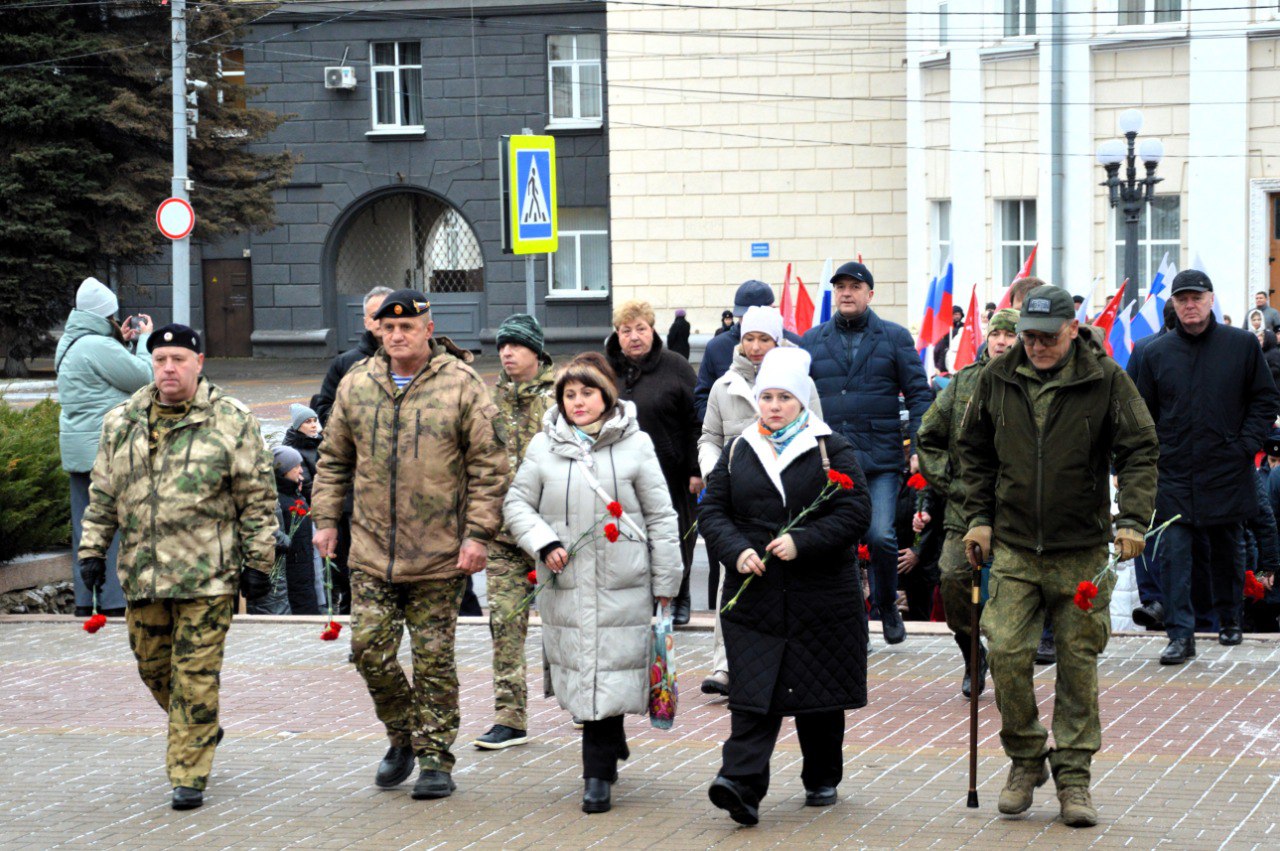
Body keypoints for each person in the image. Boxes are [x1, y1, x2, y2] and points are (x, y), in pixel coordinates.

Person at [955, 284, 1159, 828]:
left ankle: (1073, 776)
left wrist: (1133, 519)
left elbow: (1139, 448)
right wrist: (978, 518)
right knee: (1006, 653)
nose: (1038, 346)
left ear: (1073, 329)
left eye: (1048, 336)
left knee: (1076, 664)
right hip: (1016, 547)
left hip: (1081, 550)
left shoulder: (1106, 379)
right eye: (1029, 336)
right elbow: (972, 452)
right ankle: (1025, 759)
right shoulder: (995, 378)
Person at [310, 289, 507, 801]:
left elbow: (490, 466)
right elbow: (333, 459)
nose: (397, 336)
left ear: (427, 327)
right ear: (377, 329)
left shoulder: (462, 384)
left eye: (407, 327)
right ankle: (402, 736)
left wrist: (478, 534)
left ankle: (436, 760)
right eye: (388, 327)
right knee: (368, 652)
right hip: (372, 549)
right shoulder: (357, 383)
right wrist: (326, 520)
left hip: (440, 552)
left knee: (434, 660)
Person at [77, 324, 278, 810]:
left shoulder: (231, 420)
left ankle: (188, 775)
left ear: (199, 363)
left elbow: (257, 500)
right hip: (143, 575)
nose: (169, 367)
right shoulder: (121, 420)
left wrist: (259, 563)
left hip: (207, 575)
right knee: (154, 670)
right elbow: (103, 495)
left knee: (195, 675)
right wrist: (90, 551)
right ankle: (200, 725)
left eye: (179, 359)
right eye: (161, 358)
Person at [698, 347, 872, 826]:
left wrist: (804, 541)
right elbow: (712, 512)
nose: (773, 406)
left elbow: (855, 512)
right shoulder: (739, 449)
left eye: (784, 398)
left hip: (821, 597)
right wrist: (735, 550)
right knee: (755, 693)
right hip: (755, 595)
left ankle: (822, 776)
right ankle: (740, 785)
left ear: (802, 402)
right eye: (767, 397)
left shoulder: (830, 448)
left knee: (819, 698)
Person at [503, 352, 682, 815]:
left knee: (609, 667)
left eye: (587, 393)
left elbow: (661, 516)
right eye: (569, 394)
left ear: (607, 395)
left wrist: (667, 580)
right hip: (568, 582)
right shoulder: (544, 447)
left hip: (624, 583)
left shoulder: (635, 444)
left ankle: (596, 775)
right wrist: (544, 543)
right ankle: (610, 741)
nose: (578, 402)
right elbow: (518, 504)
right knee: (587, 673)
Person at [1132, 270, 1280, 664]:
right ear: (1175, 305)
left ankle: (1231, 619)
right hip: (1175, 473)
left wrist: (1245, 445)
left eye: (1196, 297)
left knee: (1227, 551)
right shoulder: (1154, 353)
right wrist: (1152, 456)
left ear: (1211, 299)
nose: (1190, 304)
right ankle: (1180, 635)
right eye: (1182, 299)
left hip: (1226, 469)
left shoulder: (1242, 345)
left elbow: (1265, 400)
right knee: (1174, 555)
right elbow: (1140, 413)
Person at [801, 260, 932, 644]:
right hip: (831, 460)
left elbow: (920, 394)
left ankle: (887, 604)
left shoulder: (893, 338)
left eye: (854, 287)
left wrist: (919, 444)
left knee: (880, 536)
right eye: (840, 286)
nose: (846, 292)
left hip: (881, 458)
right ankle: (846, 617)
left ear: (869, 294)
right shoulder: (812, 340)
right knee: (835, 541)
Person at [697, 306, 822, 697]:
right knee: (732, 579)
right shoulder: (724, 386)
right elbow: (709, 437)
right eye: (749, 338)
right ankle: (724, 665)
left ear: (777, 341)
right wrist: (716, 471)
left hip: (787, 499)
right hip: (739, 496)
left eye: (764, 339)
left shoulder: (802, 383)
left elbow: (817, 435)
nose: (755, 346)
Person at [915, 307, 1020, 697]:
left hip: (1017, 510)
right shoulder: (963, 383)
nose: (1002, 342)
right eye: (997, 335)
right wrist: (952, 483)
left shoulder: (1034, 384)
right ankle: (972, 655)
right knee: (954, 579)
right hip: (965, 507)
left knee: (1013, 592)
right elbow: (927, 437)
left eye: (1011, 336)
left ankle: (1011, 660)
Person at [473, 314, 555, 752]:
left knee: (564, 624)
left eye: (516, 345)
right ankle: (510, 717)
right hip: (504, 536)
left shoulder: (563, 396)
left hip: (554, 535)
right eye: (503, 345)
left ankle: (580, 702)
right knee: (504, 624)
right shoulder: (490, 401)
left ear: (536, 351)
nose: (507, 353)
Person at [56, 277, 154, 617]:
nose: (118, 322)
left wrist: (120, 343)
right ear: (104, 316)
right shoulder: (96, 346)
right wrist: (143, 342)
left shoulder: (71, 342)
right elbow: (144, 375)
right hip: (105, 448)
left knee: (86, 524)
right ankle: (113, 600)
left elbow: (103, 375)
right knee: (114, 523)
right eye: (113, 317)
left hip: (78, 448)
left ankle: (86, 599)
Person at [605, 300, 701, 624]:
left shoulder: (676, 366)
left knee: (676, 533)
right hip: (620, 473)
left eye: (641, 329)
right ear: (617, 335)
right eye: (626, 330)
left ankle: (680, 593)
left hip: (672, 470)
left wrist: (695, 469)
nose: (634, 336)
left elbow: (695, 421)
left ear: (652, 329)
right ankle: (641, 597)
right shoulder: (606, 370)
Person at [695, 281, 802, 419]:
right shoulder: (716, 347)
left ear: (773, 308)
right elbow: (702, 399)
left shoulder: (796, 347)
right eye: (743, 316)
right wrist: (724, 426)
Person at [311, 286, 393, 424]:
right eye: (374, 316)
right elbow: (324, 409)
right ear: (365, 321)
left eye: (387, 315)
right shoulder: (344, 363)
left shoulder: (414, 359)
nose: (380, 321)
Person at [270, 445, 319, 615]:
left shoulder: (295, 493)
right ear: (283, 470)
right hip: (292, 570)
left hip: (304, 567)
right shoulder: (279, 500)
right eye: (296, 467)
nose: (301, 471)